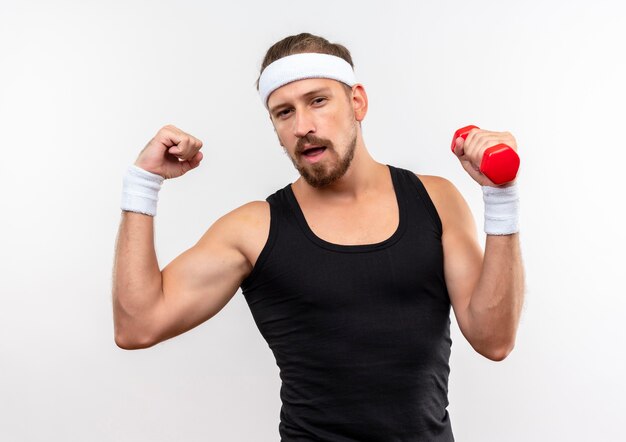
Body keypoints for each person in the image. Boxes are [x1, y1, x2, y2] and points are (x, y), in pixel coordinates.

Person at [112, 33, 524, 441]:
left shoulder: (435, 200)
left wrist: (501, 199)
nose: (303, 126)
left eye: (318, 101)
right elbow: (137, 326)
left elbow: (495, 339)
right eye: (283, 112)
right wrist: (142, 183)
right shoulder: (254, 229)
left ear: (357, 102)